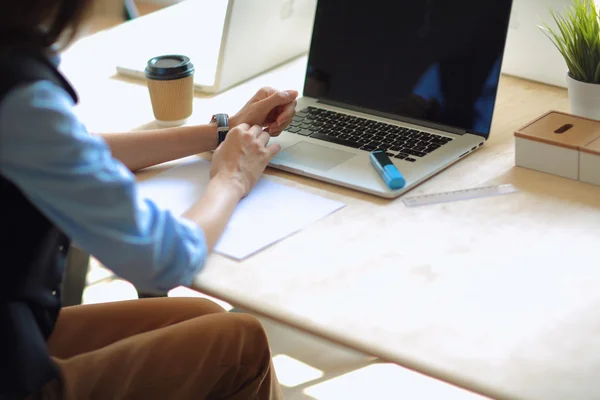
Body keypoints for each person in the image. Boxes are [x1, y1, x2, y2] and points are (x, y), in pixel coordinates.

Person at [0, 1, 298, 399]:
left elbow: (63, 149)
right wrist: (232, 177)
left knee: (200, 317)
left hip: (19, 328)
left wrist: (219, 133)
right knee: (239, 343)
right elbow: (164, 259)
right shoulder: (18, 91)